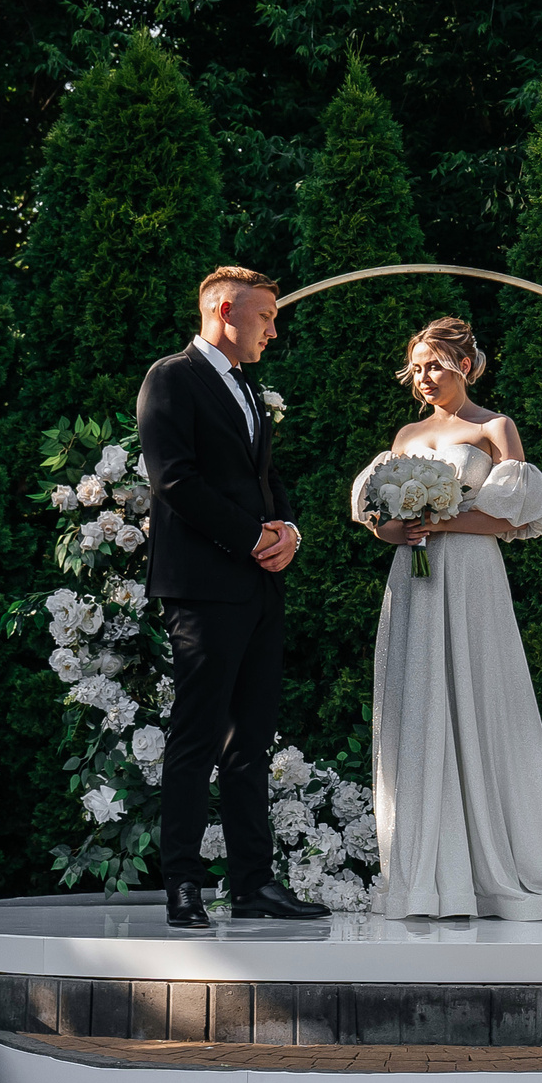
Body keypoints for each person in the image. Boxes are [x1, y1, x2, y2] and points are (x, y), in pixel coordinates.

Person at [356, 318, 542, 922]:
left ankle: (498, 872)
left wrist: (438, 520)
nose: (424, 378)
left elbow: (512, 518)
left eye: (434, 365)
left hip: (469, 576)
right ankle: (427, 879)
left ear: (464, 365)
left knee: (481, 698)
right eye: (416, 368)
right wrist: (392, 527)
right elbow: (374, 512)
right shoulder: (407, 433)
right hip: (413, 578)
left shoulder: (495, 428)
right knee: (419, 703)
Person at [136, 267, 331, 931]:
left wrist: (291, 532)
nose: (274, 330)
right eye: (266, 316)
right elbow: (174, 481)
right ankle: (183, 885)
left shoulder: (247, 386)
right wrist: (251, 537)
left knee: (250, 741)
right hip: (202, 586)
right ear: (225, 310)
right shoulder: (171, 377)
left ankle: (252, 883)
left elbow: (264, 478)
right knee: (195, 739)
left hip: (259, 587)